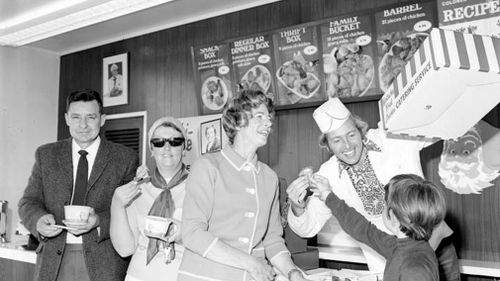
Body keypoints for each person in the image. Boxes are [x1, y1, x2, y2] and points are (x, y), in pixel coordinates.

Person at [286, 98, 460, 280]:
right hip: (388, 253)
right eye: (336, 140)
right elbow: (310, 228)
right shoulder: (327, 175)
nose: (347, 146)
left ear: (361, 131)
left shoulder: (392, 137)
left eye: (351, 135)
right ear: (327, 144)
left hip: (436, 243)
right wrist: (297, 207)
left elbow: (439, 125)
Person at [179, 90, 310, 281]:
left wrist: (292, 272)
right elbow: (192, 234)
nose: (268, 123)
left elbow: (272, 240)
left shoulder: (269, 177)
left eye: (269, 117)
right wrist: (252, 263)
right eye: (259, 116)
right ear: (237, 121)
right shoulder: (207, 167)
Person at [18, 89, 138, 281]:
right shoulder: (46, 155)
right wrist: (38, 221)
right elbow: (28, 202)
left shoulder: (125, 158)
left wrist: (98, 221)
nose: (83, 125)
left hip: (104, 262)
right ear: (67, 119)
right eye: (76, 117)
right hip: (53, 261)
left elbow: (132, 211)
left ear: (103, 119)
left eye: (90, 117)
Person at [313, 173, 446, 281]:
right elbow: (363, 229)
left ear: (392, 216)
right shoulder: (405, 247)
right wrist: (327, 195)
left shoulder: (414, 268)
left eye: (384, 205)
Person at [110, 116, 188, 281]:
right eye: (159, 142)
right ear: (152, 149)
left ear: (184, 147)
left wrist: (182, 232)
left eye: (175, 141)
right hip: (139, 276)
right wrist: (117, 205)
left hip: (182, 275)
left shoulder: (199, 187)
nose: (167, 147)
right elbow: (125, 249)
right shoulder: (137, 188)